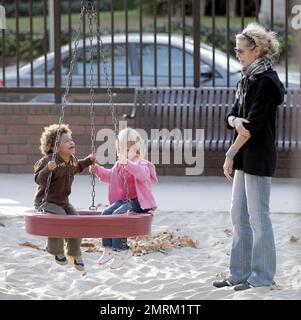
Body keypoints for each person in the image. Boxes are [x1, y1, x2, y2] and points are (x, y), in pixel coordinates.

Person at [213, 23, 285, 291]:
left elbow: (252, 127)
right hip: (244, 155)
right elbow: (230, 116)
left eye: (241, 50)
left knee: (258, 218)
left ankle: (263, 276)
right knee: (238, 215)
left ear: (256, 51)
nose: (237, 54)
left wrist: (229, 154)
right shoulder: (246, 79)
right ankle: (238, 273)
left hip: (257, 156)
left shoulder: (266, 81)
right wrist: (234, 120)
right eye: (236, 50)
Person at [90, 127, 157, 269]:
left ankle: (122, 249)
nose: (123, 153)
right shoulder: (119, 165)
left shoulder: (141, 163)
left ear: (137, 150)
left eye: (127, 150)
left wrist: (127, 163)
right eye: (121, 150)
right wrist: (96, 169)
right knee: (106, 214)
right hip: (124, 201)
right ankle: (108, 248)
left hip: (138, 203)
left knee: (118, 215)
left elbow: (143, 174)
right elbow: (110, 176)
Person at [34, 123, 95, 271]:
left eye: (71, 139)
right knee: (60, 219)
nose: (71, 142)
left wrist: (88, 161)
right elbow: (38, 179)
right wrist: (48, 170)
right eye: (66, 141)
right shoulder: (49, 161)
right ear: (55, 148)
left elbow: (77, 167)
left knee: (75, 220)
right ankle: (55, 250)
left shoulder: (72, 159)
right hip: (46, 202)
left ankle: (74, 253)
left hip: (63, 202)